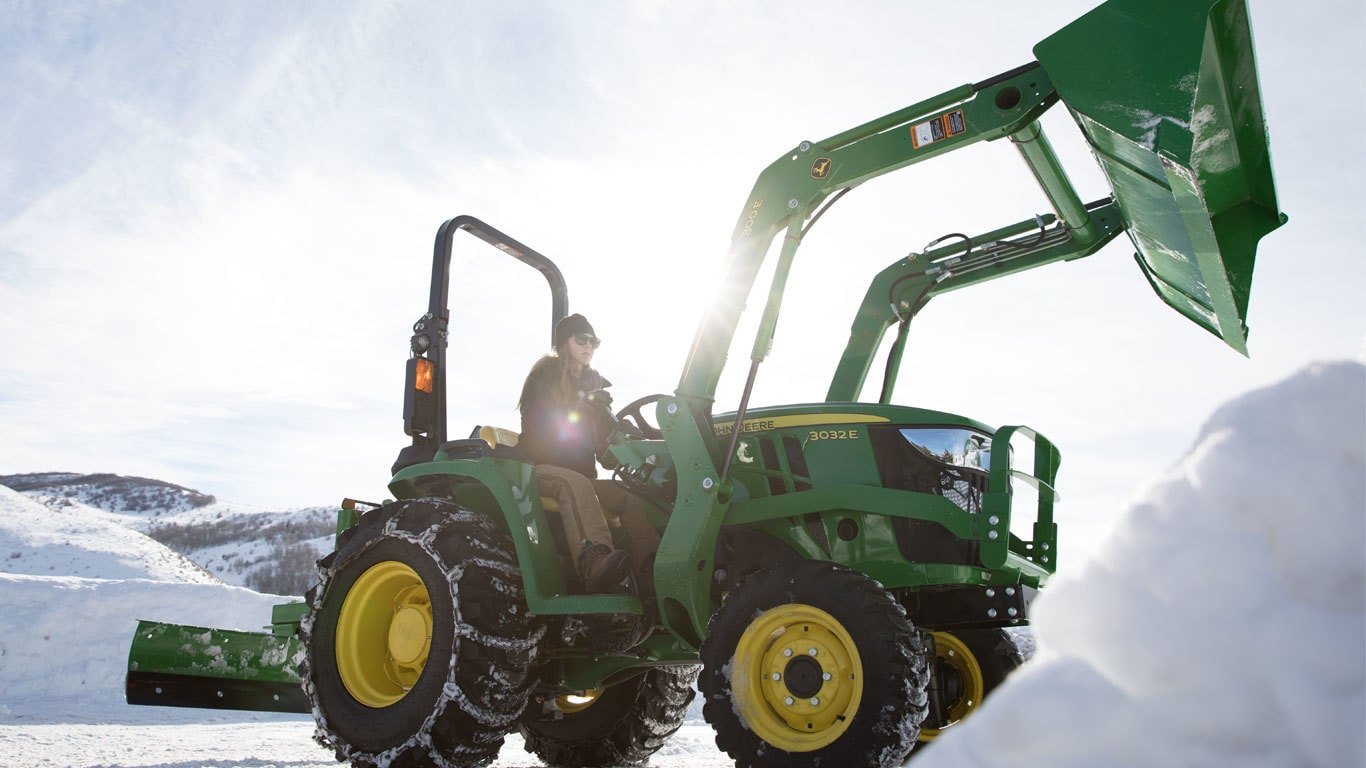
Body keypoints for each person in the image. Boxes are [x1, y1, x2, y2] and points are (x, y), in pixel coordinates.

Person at [518, 313, 632, 592]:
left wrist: (619, 438)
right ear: (563, 343)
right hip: (540, 468)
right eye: (581, 339)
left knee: (633, 496)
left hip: (581, 474)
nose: (588, 346)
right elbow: (548, 427)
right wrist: (582, 407)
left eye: (594, 341)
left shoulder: (593, 387)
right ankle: (593, 563)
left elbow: (604, 452)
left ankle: (648, 567)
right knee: (575, 484)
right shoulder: (544, 378)